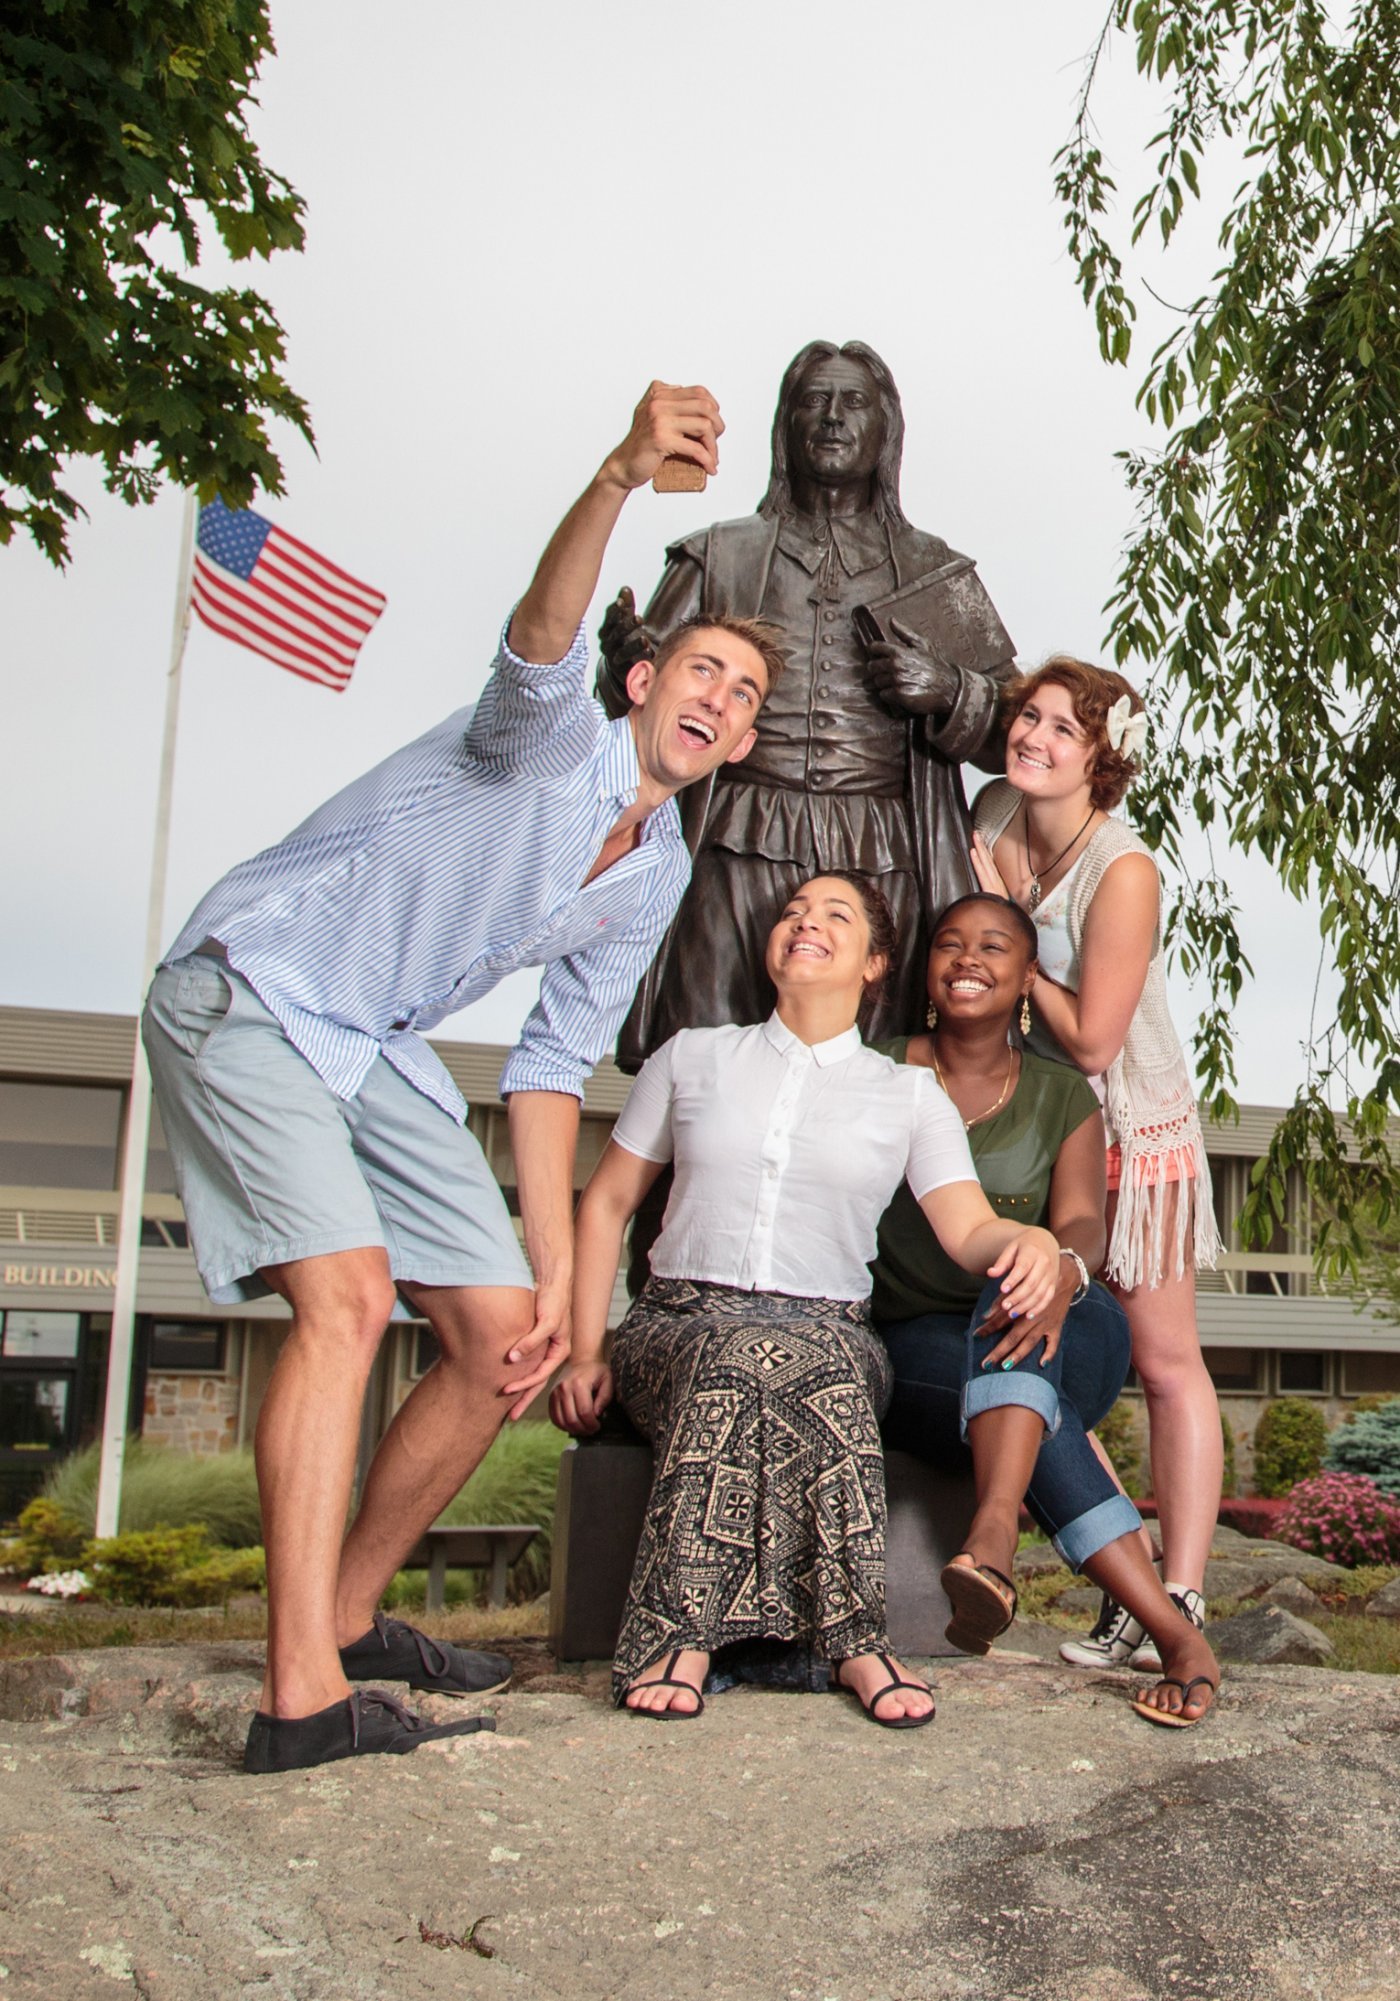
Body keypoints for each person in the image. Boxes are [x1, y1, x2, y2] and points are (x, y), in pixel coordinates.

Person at [142, 382, 787, 1773]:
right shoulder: (549, 734)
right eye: (700, 674)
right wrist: (617, 474)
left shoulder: (657, 872)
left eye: (740, 699)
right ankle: (300, 1696)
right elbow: (540, 633)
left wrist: (564, 1290)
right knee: (351, 1299)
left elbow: (555, 1065)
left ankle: (353, 1614)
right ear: (646, 685)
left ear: (736, 746)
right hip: (254, 987)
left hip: (370, 1043)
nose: (716, 700)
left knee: (502, 1339)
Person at [550, 873, 1066, 1728]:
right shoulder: (691, 1056)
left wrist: (1035, 1241)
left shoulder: (906, 1093)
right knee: (735, 1358)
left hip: (828, 1326)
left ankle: (857, 1639)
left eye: (834, 916)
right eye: (793, 912)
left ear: (874, 962)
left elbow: (970, 1229)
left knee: (817, 1366)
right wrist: (583, 1348)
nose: (805, 923)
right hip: (679, 1321)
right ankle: (683, 1634)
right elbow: (604, 1203)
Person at [596, 338, 1017, 1057]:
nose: (831, 416)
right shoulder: (718, 555)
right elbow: (634, 704)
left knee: (871, 1078)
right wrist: (624, 663)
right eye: (813, 400)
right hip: (734, 840)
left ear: (886, 429)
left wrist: (951, 690)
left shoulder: (936, 571)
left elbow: (1018, 729)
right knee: (700, 1060)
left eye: (853, 401)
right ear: (784, 426)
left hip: (882, 851)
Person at [872, 893, 1219, 1726]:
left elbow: (1081, 1228)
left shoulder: (1065, 1093)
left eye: (994, 946)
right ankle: (1180, 1636)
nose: (968, 958)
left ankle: (992, 1531)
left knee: (1018, 1271)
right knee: (1030, 1394)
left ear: (1028, 976)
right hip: (922, 1344)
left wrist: (1058, 1266)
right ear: (926, 970)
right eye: (950, 943)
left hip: (1069, 1318)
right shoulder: (875, 1070)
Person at [969, 658, 1223, 1685]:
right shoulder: (992, 809)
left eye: (1061, 730)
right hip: (1037, 1129)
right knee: (1047, 1351)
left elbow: (1091, 1042)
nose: (1032, 737)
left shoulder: (1121, 871)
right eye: (1027, 716)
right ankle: (1132, 1584)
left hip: (1129, 1123)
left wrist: (1005, 932)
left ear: (1101, 759)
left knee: (1162, 1360)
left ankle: (1186, 1586)